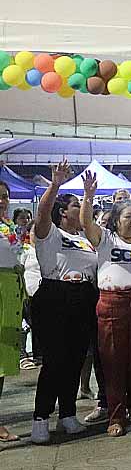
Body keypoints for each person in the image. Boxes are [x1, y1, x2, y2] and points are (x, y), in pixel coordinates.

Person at [80, 171, 131, 437]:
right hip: (112, 304)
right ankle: (116, 417)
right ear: (116, 221)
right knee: (113, 362)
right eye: (128, 217)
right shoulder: (105, 239)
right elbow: (85, 222)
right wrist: (88, 196)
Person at [29, 160, 99, 444]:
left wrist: (89, 197)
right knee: (55, 361)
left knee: (75, 358)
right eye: (75, 205)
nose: (80, 209)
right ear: (63, 212)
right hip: (56, 296)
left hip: (84, 297)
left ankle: (68, 414)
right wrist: (56, 184)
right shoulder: (50, 234)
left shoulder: (84, 238)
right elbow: (42, 212)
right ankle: (40, 417)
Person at [0, 182, 26, 442]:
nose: (2, 201)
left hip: (10, 294)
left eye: (5, 196)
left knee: (3, 362)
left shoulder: (7, 226)